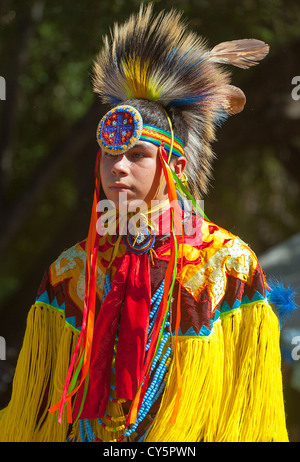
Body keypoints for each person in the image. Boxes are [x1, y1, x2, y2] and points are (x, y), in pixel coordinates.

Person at [0, 4, 296, 442]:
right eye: (109, 155)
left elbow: (248, 413)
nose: (118, 168)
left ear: (175, 163)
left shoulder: (225, 264)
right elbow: (38, 407)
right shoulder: (72, 271)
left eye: (137, 155)